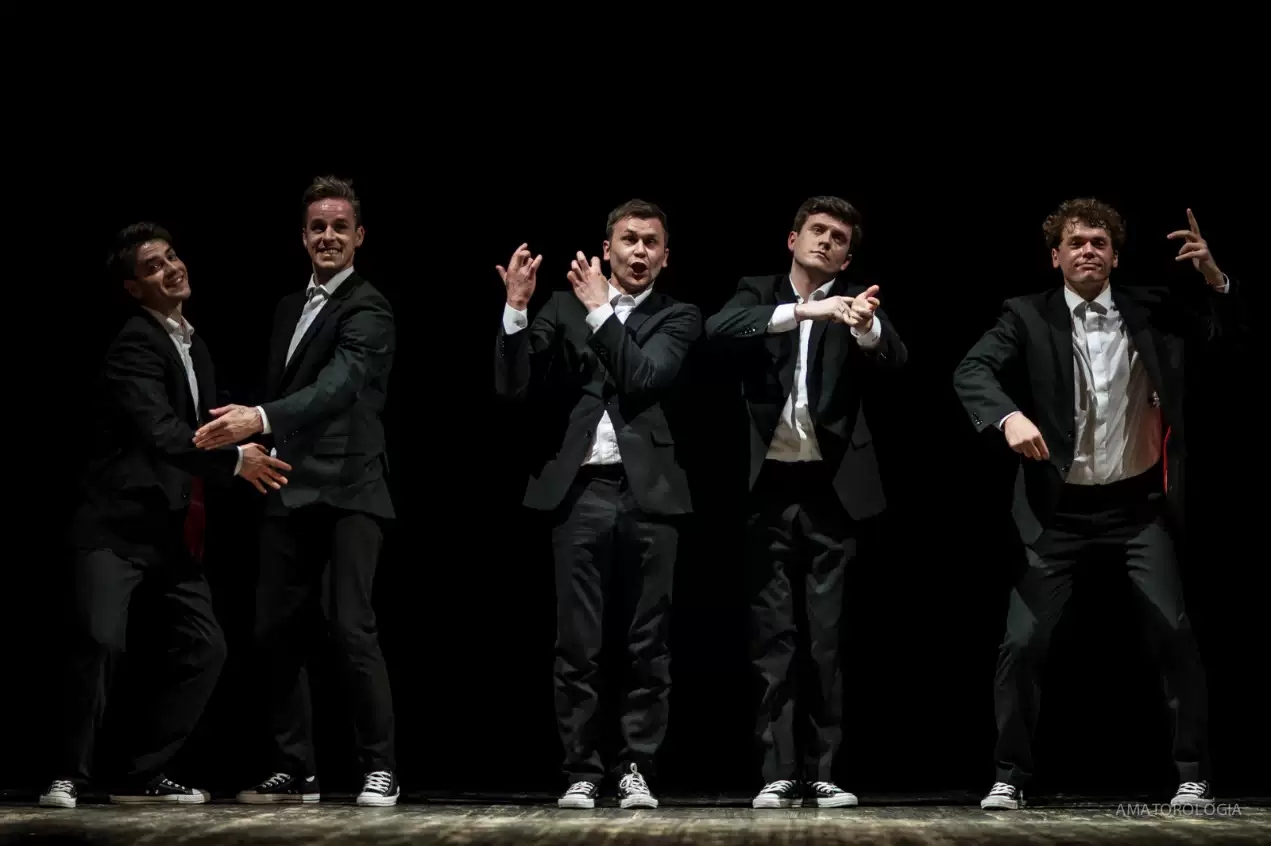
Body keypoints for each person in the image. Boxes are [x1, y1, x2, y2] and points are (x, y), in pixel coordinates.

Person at [953, 199, 1244, 811]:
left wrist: (1215, 278)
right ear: (1055, 256)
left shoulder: (1152, 308)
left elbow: (1221, 338)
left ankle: (1193, 773)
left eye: (1099, 243)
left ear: (1115, 256)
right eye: (1076, 242)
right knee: (1023, 642)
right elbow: (972, 370)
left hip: (1137, 505)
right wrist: (1007, 417)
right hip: (1056, 511)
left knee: (1173, 630)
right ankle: (1010, 775)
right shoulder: (1025, 314)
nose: (1088, 251)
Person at [39, 223, 292, 809]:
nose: (172, 268)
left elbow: (200, 430)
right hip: (115, 525)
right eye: (154, 266)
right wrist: (235, 461)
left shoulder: (193, 344)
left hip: (168, 531)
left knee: (206, 648)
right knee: (100, 642)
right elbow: (159, 431)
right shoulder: (135, 342)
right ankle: (67, 774)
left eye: (172, 256)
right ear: (134, 287)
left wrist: (244, 442)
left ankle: (141, 772)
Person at [193, 176, 399, 807]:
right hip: (289, 485)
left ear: (359, 237)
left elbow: (337, 387)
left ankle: (381, 767)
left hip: (350, 488)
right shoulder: (289, 306)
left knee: (350, 627)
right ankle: (296, 767)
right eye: (317, 227)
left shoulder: (369, 307)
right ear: (303, 236)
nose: (328, 236)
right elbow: (289, 389)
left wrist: (258, 418)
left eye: (340, 227)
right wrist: (251, 435)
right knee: (274, 632)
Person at [494, 199, 701, 809]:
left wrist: (600, 311)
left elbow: (643, 377)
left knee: (647, 642)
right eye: (629, 240)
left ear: (666, 257)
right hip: (580, 490)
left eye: (651, 243)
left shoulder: (678, 316)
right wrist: (516, 308)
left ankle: (635, 765)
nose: (639, 252)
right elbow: (513, 386)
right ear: (606, 248)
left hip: (650, 495)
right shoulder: (562, 307)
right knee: (577, 642)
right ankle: (581, 769)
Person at [704, 196, 908, 809]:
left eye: (838, 238)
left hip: (830, 489)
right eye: (816, 231)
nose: (826, 241)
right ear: (792, 240)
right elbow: (718, 330)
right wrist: (801, 311)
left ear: (847, 258)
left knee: (827, 636)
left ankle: (824, 769)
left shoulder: (854, 303)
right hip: (766, 487)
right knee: (773, 635)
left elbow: (895, 358)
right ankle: (777, 770)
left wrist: (864, 327)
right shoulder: (758, 292)